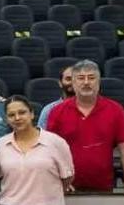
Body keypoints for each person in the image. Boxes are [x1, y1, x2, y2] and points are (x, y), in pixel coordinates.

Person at [45, 60, 124, 191]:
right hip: (66, 187)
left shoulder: (116, 110)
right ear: (73, 83)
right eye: (81, 78)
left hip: (104, 188)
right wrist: (57, 180)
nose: (86, 82)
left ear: (98, 83)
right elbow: (50, 152)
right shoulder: (57, 112)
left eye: (91, 78)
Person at [38, 64, 75, 130]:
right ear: (60, 83)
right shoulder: (49, 110)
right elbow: (42, 137)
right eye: (68, 79)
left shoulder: (88, 108)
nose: (72, 82)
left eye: (77, 79)